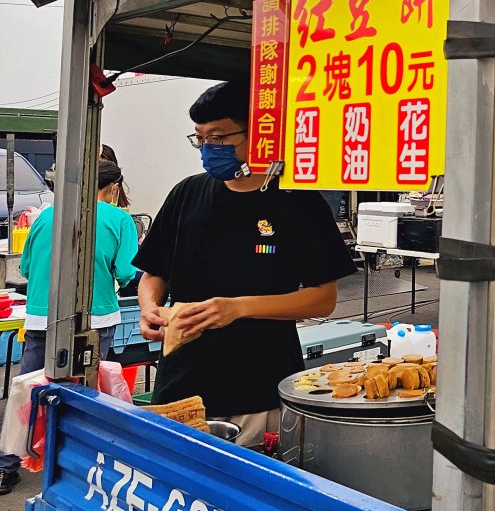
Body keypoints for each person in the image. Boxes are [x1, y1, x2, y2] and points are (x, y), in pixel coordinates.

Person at [135, 81, 354, 447]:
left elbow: (322, 299)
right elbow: (154, 272)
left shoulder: (297, 202)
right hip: (179, 385)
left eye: (218, 137)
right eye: (200, 139)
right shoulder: (186, 193)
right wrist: (150, 309)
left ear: (259, 135)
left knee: (246, 495)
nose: (207, 149)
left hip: (258, 390)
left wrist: (238, 308)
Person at [18, 159, 139, 374]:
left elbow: (26, 267)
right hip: (96, 315)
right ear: (114, 187)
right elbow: (125, 271)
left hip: (40, 314)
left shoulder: (45, 215)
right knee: (82, 385)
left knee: (31, 385)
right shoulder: (121, 220)